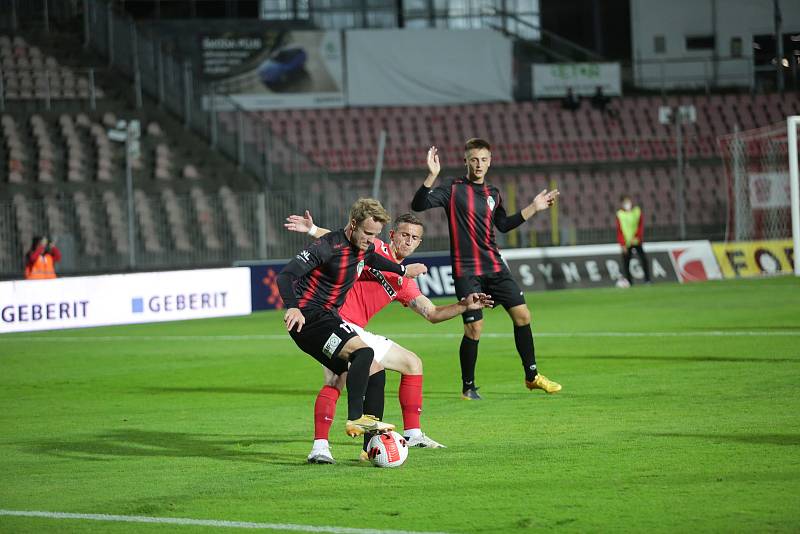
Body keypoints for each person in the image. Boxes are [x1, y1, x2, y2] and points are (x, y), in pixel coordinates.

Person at [285, 211, 493, 463]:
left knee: (410, 363)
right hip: (334, 321)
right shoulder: (375, 247)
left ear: (419, 243)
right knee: (337, 379)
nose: (408, 241)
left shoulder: (405, 281)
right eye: (404, 234)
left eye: (414, 238)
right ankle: (323, 447)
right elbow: (338, 241)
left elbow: (432, 313)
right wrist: (312, 229)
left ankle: (406, 435)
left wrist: (464, 305)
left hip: (355, 330)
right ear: (392, 235)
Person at [411, 139, 562, 400]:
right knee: (474, 329)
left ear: (490, 161)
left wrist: (534, 209)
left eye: (483, 160)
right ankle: (468, 387)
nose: (478, 164)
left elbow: (502, 225)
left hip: (494, 266)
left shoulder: (494, 193)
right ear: (466, 161)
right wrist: (432, 175)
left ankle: (532, 376)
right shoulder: (453, 189)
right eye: (474, 159)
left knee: (523, 316)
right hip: (466, 271)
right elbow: (418, 205)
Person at [276, 198, 428, 440]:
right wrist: (293, 307)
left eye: (375, 234)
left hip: (327, 318)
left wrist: (402, 270)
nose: (371, 240)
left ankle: (355, 446)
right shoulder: (326, 247)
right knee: (364, 354)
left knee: (372, 371)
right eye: (368, 233)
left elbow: (374, 258)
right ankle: (356, 418)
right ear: (353, 224)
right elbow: (285, 276)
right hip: (311, 317)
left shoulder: (364, 247)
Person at [616, 195, 651, 286]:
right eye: (625, 202)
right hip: (626, 243)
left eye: (628, 202)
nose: (627, 204)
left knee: (643, 259)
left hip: (636, 241)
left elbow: (640, 226)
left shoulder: (637, 212)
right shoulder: (620, 214)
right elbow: (619, 230)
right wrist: (622, 244)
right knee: (626, 262)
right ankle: (629, 281)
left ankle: (647, 280)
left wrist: (636, 237)